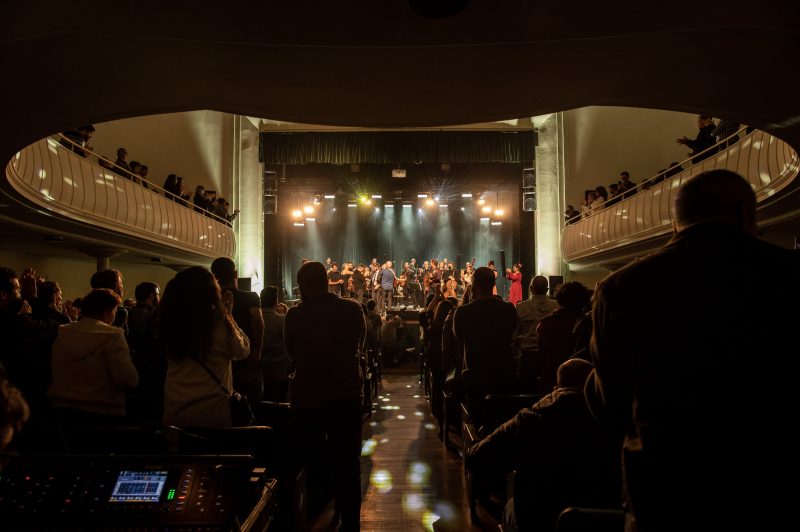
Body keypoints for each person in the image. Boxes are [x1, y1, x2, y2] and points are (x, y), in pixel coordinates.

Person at [585, 169, 800, 532]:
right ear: (746, 214)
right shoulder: (788, 274)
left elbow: (612, 402)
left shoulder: (621, 288)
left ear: (674, 222)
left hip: (665, 488)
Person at [466, 359, 620, 532]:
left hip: (536, 522)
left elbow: (477, 458)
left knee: (509, 506)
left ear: (556, 388)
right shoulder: (614, 424)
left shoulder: (530, 420)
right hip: (599, 523)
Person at [284, 262, 366, 532]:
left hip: (308, 399)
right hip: (346, 397)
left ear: (304, 285)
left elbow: (292, 356)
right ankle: (350, 522)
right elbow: (360, 347)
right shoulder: (353, 309)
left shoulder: (295, 316)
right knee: (348, 463)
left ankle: (312, 516)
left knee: (309, 460)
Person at [159, 267, 250, 428]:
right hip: (213, 412)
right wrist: (228, 315)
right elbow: (242, 351)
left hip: (176, 412)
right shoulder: (218, 326)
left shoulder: (170, 324)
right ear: (210, 293)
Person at [48, 288, 139, 424]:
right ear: (107, 311)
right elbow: (127, 380)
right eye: (114, 310)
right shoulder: (113, 336)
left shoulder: (63, 332)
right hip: (103, 415)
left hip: (62, 412)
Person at [211, 257, 264, 404]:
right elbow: (257, 319)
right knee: (251, 404)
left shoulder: (211, 301)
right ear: (235, 274)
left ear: (214, 275)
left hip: (221, 363)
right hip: (247, 361)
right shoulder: (250, 297)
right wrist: (258, 348)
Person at [260, 286, 290, 403]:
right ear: (275, 301)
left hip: (259, 372)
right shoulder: (281, 321)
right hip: (279, 372)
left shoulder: (254, 318)